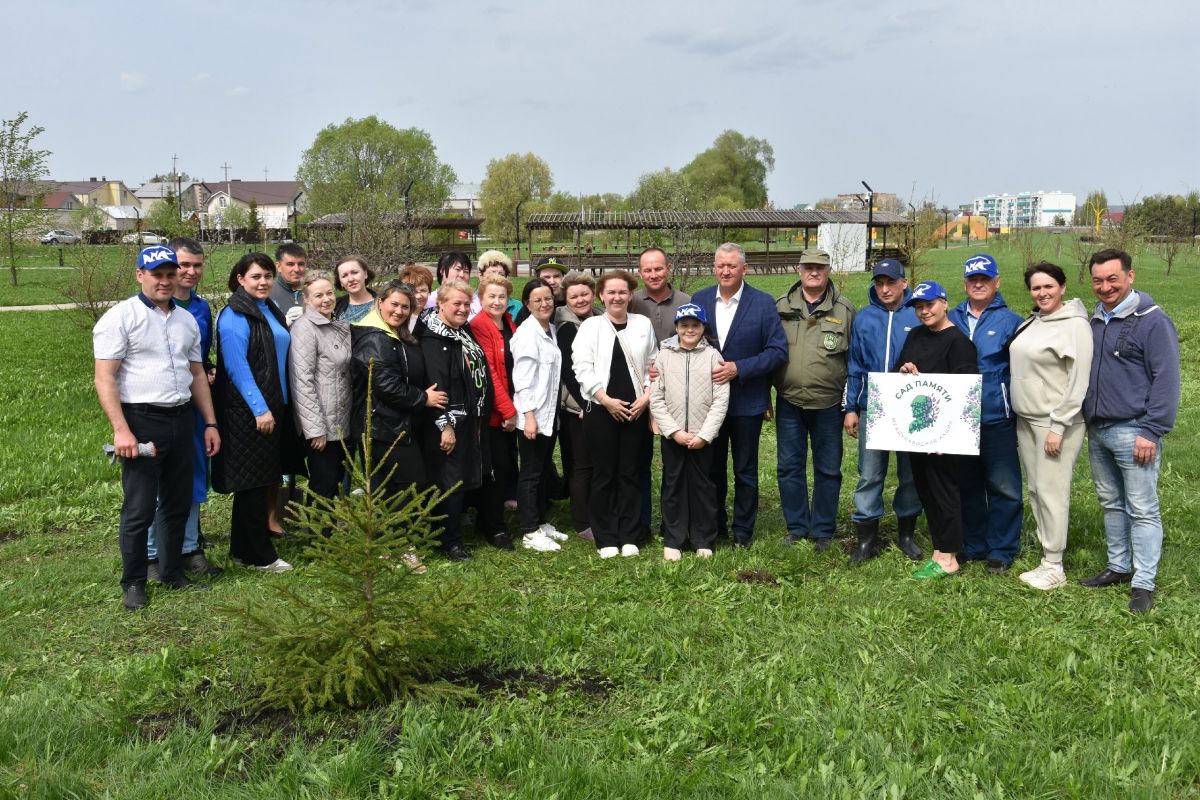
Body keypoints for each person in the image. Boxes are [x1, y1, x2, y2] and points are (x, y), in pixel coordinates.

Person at [93, 245, 221, 609]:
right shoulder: (120, 318)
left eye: (170, 274)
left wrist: (209, 422)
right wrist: (121, 429)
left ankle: (172, 571)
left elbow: (196, 374)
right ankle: (134, 582)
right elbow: (105, 378)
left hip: (182, 419)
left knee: (177, 502)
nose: (165, 281)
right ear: (140, 275)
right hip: (141, 420)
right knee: (140, 507)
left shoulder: (186, 321)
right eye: (157, 274)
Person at [1080, 248, 1180, 613]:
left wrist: (1152, 431)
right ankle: (1119, 566)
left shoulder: (1153, 321)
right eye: (1098, 280)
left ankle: (1143, 583)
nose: (1105, 287)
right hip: (1099, 429)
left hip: (1133, 429)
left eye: (1113, 279)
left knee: (1142, 508)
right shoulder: (1093, 320)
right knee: (1111, 504)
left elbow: (1167, 380)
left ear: (1130, 277)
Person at [691, 243, 788, 548]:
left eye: (732, 266)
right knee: (712, 468)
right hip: (707, 404)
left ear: (744, 269)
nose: (725, 271)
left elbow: (777, 351)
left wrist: (739, 369)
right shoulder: (701, 299)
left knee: (745, 470)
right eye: (720, 265)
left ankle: (742, 531)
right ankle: (715, 525)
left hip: (746, 401)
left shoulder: (762, 303)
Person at [350, 281, 447, 574]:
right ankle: (400, 547)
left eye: (405, 307)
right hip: (383, 426)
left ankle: (385, 545)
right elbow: (385, 385)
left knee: (391, 487)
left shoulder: (395, 335)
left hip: (396, 423)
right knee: (406, 486)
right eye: (394, 304)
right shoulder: (374, 338)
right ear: (380, 302)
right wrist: (423, 398)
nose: (399, 311)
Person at [1007, 262, 1093, 591]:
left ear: (1063, 287)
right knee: (1036, 489)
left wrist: (1059, 425)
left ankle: (1055, 565)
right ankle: (1046, 555)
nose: (1042, 293)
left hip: (1054, 423)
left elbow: (1078, 381)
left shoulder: (1074, 327)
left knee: (1052, 491)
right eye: (1036, 287)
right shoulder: (1035, 320)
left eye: (1049, 287)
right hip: (1027, 419)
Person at [211, 252, 298, 574]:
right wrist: (259, 409)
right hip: (250, 413)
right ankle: (258, 555)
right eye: (256, 276)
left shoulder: (266, 308)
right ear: (240, 279)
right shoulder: (235, 315)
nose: (263, 282)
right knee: (252, 483)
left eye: (267, 276)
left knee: (261, 481)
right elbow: (237, 367)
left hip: (276, 406)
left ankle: (243, 548)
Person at [145, 237, 222, 580]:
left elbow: (198, 357)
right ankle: (151, 553)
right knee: (154, 479)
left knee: (193, 475)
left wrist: (208, 367)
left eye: (197, 265)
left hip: (192, 404)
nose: (190, 272)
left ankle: (190, 546)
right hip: (155, 406)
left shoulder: (202, 308)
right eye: (184, 265)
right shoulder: (146, 309)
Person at [773, 248, 856, 552]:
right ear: (799, 270)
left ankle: (823, 529)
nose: (814, 272)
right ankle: (796, 527)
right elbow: (772, 352)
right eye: (808, 267)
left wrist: (851, 405)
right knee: (789, 467)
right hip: (790, 401)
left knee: (828, 469)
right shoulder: (781, 306)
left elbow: (853, 360)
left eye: (820, 267)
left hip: (829, 404)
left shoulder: (845, 309)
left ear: (828, 270)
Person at [895, 281, 979, 579]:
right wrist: (904, 371)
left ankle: (950, 557)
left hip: (944, 436)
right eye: (918, 307)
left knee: (944, 490)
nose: (923, 311)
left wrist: (950, 435)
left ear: (945, 303)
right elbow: (898, 372)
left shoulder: (958, 342)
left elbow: (967, 392)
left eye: (929, 305)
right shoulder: (916, 335)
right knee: (926, 489)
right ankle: (939, 549)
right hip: (919, 432)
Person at [843, 258, 923, 563]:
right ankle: (867, 538)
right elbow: (855, 365)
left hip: (909, 409)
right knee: (870, 473)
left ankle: (906, 534)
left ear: (904, 283)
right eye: (880, 283)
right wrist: (851, 407)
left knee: (910, 473)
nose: (886, 289)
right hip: (873, 408)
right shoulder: (864, 318)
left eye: (891, 282)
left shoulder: (917, 314)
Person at [573, 270, 657, 558]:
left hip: (635, 411)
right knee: (604, 474)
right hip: (601, 410)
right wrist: (604, 399)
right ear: (601, 295)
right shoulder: (591, 327)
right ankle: (606, 535)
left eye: (622, 292)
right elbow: (580, 367)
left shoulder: (643, 324)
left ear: (630, 295)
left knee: (630, 473)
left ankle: (630, 533)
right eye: (611, 292)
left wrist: (645, 398)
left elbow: (653, 365)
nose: (617, 297)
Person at [948, 254, 1023, 573]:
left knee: (1003, 486)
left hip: (996, 416)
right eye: (972, 279)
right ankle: (973, 543)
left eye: (985, 279)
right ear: (965, 283)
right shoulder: (951, 317)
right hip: (958, 419)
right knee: (967, 484)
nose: (978, 284)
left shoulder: (1012, 321)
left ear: (997, 282)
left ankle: (1001, 549)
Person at [649, 304, 728, 561]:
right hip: (674, 436)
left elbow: (720, 400)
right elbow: (656, 398)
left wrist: (705, 434)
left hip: (702, 436)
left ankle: (702, 537)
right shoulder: (664, 355)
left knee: (703, 486)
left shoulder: (713, 356)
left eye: (695, 325)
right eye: (684, 326)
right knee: (673, 485)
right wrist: (673, 431)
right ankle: (675, 537)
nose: (690, 330)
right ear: (677, 328)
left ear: (703, 328)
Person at [420, 280, 491, 561]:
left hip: (471, 416)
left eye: (466, 304)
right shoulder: (433, 338)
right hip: (448, 421)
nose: (462, 309)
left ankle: (455, 534)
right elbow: (435, 386)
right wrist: (445, 425)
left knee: (461, 478)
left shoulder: (462, 331)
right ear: (440, 304)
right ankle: (449, 542)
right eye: (456, 304)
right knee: (448, 481)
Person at [631, 245, 693, 543]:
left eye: (658, 268)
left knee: (676, 466)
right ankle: (641, 523)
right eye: (647, 270)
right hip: (637, 393)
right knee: (639, 461)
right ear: (640, 272)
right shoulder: (630, 303)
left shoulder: (685, 301)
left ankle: (675, 524)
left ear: (667, 268)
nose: (653, 274)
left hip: (678, 396)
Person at [288, 271, 352, 535]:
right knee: (323, 482)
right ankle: (318, 539)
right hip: (323, 423)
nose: (326, 299)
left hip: (341, 420)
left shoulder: (334, 323)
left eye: (329, 293)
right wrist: (315, 429)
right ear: (305, 298)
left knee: (334, 481)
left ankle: (327, 534)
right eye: (318, 295)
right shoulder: (305, 329)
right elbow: (301, 381)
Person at [511, 279, 568, 551]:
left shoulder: (551, 330)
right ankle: (529, 530)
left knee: (544, 469)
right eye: (538, 300)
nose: (544, 304)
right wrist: (529, 416)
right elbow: (521, 380)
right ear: (527, 304)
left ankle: (541, 521)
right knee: (531, 473)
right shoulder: (526, 334)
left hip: (549, 415)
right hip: (532, 416)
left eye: (548, 298)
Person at [468, 272, 519, 550]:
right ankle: (494, 528)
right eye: (491, 296)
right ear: (481, 298)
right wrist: (507, 411)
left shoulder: (508, 323)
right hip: (494, 412)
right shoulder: (479, 325)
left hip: (513, 406)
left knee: (507, 464)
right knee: (495, 469)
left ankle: (490, 518)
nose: (497, 301)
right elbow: (489, 372)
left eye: (502, 297)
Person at [555, 270, 600, 540]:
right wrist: (585, 404)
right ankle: (582, 522)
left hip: (597, 401)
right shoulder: (565, 326)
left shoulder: (598, 319)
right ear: (566, 299)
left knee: (595, 461)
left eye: (584, 294)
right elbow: (569, 373)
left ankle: (596, 511)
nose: (580, 299)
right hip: (576, 406)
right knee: (581, 464)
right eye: (574, 296)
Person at [515, 256, 568, 323]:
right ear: (538, 279)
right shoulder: (530, 308)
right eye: (547, 277)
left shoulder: (573, 302)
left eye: (556, 276)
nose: (552, 281)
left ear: (563, 277)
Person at [425, 252, 480, 318]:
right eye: (457, 269)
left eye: (466, 271)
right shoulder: (427, 301)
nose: (462, 275)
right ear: (442, 270)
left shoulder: (477, 301)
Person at [476, 249, 524, 321]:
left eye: (501, 275)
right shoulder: (469, 304)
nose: (496, 278)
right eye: (492, 273)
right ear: (480, 275)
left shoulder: (517, 307)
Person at [270, 242, 308, 326]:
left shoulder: (314, 291)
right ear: (278, 266)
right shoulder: (267, 293)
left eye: (301, 264)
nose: (297, 269)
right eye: (290, 264)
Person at [333, 255, 377, 324]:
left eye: (354, 272)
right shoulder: (334, 306)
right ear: (340, 282)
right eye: (344, 276)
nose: (350, 279)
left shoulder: (382, 304)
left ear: (365, 274)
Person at [398, 263, 434, 334]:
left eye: (423, 290)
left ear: (429, 292)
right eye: (413, 291)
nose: (418, 296)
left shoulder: (434, 318)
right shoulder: (397, 316)